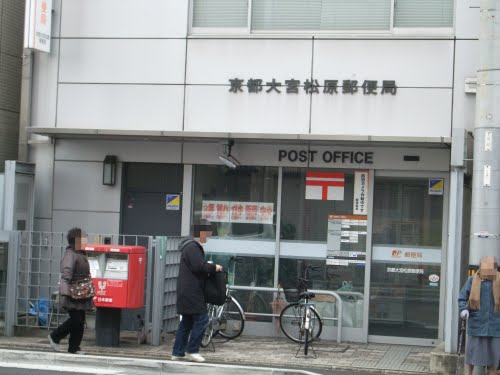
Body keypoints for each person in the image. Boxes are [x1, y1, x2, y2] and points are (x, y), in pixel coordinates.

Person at [171, 230, 223, 363]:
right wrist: (213, 267)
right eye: (208, 234)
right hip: (192, 291)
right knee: (202, 319)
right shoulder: (192, 247)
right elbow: (198, 266)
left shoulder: (189, 247)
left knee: (187, 322)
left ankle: (177, 352)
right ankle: (192, 350)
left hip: (186, 290)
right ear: (201, 233)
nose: (209, 238)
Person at [48, 227, 95, 354]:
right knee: (76, 320)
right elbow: (66, 274)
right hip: (72, 293)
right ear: (75, 241)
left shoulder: (80, 253)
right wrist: (65, 293)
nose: (86, 241)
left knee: (80, 321)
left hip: (80, 293)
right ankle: (55, 336)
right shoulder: (71, 255)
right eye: (83, 239)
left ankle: (74, 348)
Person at [458, 255, 500, 375]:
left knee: (494, 360)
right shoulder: (472, 280)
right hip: (477, 325)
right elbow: (462, 298)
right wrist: (463, 310)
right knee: (471, 357)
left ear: (495, 268)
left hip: (495, 327)